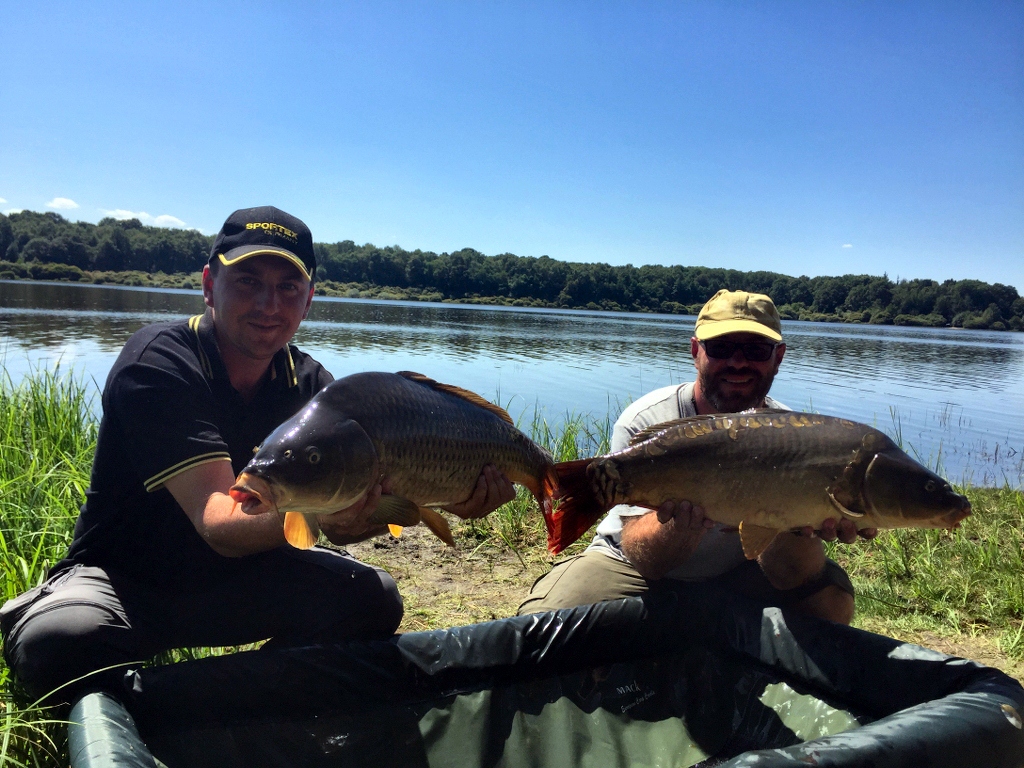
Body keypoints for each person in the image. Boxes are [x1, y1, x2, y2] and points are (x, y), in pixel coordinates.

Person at [0, 206, 514, 703]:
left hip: (243, 579)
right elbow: (219, 522)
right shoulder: (158, 363)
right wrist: (327, 515)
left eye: (288, 287)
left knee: (370, 600)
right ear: (208, 285)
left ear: (308, 300)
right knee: (56, 642)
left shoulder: (314, 388)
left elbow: (385, 496)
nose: (269, 304)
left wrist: (449, 496)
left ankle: (223, 707)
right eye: (247, 281)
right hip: (130, 580)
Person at [519, 289, 873, 624]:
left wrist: (806, 524)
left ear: (778, 358)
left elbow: (786, 570)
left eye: (756, 350)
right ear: (695, 351)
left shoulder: (797, 437)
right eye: (721, 347)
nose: (738, 362)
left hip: (737, 572)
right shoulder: (649, 419)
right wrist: (677, 524)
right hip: (633, 565)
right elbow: (644, 559)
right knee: (548, 620)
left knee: (831, 603)